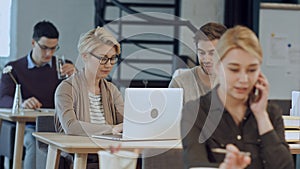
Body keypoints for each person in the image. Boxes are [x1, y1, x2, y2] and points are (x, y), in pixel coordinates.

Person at [181, 25, 294, 169]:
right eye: (234, 69)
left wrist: (261, 115)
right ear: (217, 67)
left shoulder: (270, 112)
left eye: (252, 69)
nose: (244, 79)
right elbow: (195, 164)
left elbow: (285, 166)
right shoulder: (195, 111)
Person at [0, 20, 76, 169]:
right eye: (45, 48)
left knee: (73, 145)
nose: (49, 53)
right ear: (33, 43)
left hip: (58, 126)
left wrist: (76, 78)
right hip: (28, 127)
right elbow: (2, 98)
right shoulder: (14, 69)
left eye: (54, 48)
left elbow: (77, 99)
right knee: (36, 142)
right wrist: (21, 103)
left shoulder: (64, 67)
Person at [54, 26, 123, 137]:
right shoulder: (66, 88)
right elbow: (71, 127)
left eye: (112, 58)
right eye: (103, 58)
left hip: (108, 151)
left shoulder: (112, 90)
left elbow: (125, 123)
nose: (109, 64)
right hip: (79, 152)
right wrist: (113, 129)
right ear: (85, 56)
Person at [169, 22, 227, 103]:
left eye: (212, 53)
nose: (206, 60)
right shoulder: (179, 84)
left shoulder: (236, 83)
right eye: (201, 53)